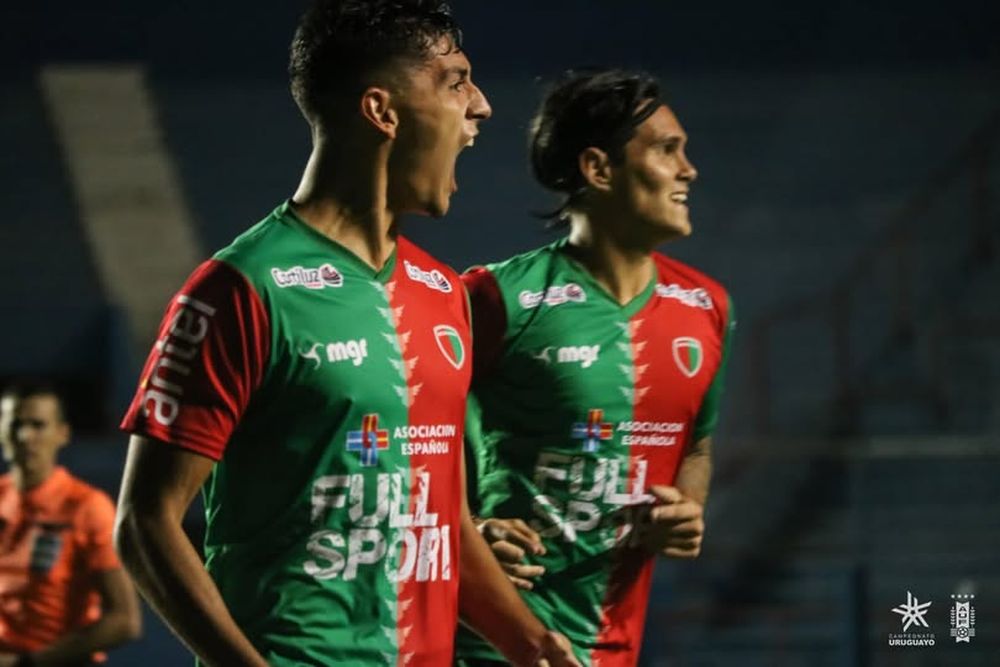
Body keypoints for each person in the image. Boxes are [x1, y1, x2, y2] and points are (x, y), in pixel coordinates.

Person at [113, 1, 579, 665]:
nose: (481, 106)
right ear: (382, 111)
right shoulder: (242, 288)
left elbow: (438, 516)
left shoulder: (443, 292)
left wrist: (532, 644)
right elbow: (145, 524)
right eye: (455, 82)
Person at [455, 69, 736, 666]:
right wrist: (469, 530)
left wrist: (685, 507)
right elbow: (412, 433)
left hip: (617, 648)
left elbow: (696, 445)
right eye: (667, 150)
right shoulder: (496, 298)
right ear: (598, 169)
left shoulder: (707, 308)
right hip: (494, 645)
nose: (689, 170)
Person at [0, 381, 141, 666]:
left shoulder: (86, 506)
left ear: (62, 434)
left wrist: (26, 664)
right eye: (16, 425)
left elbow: (124, 620)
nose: (25, 436)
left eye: (38, 425)